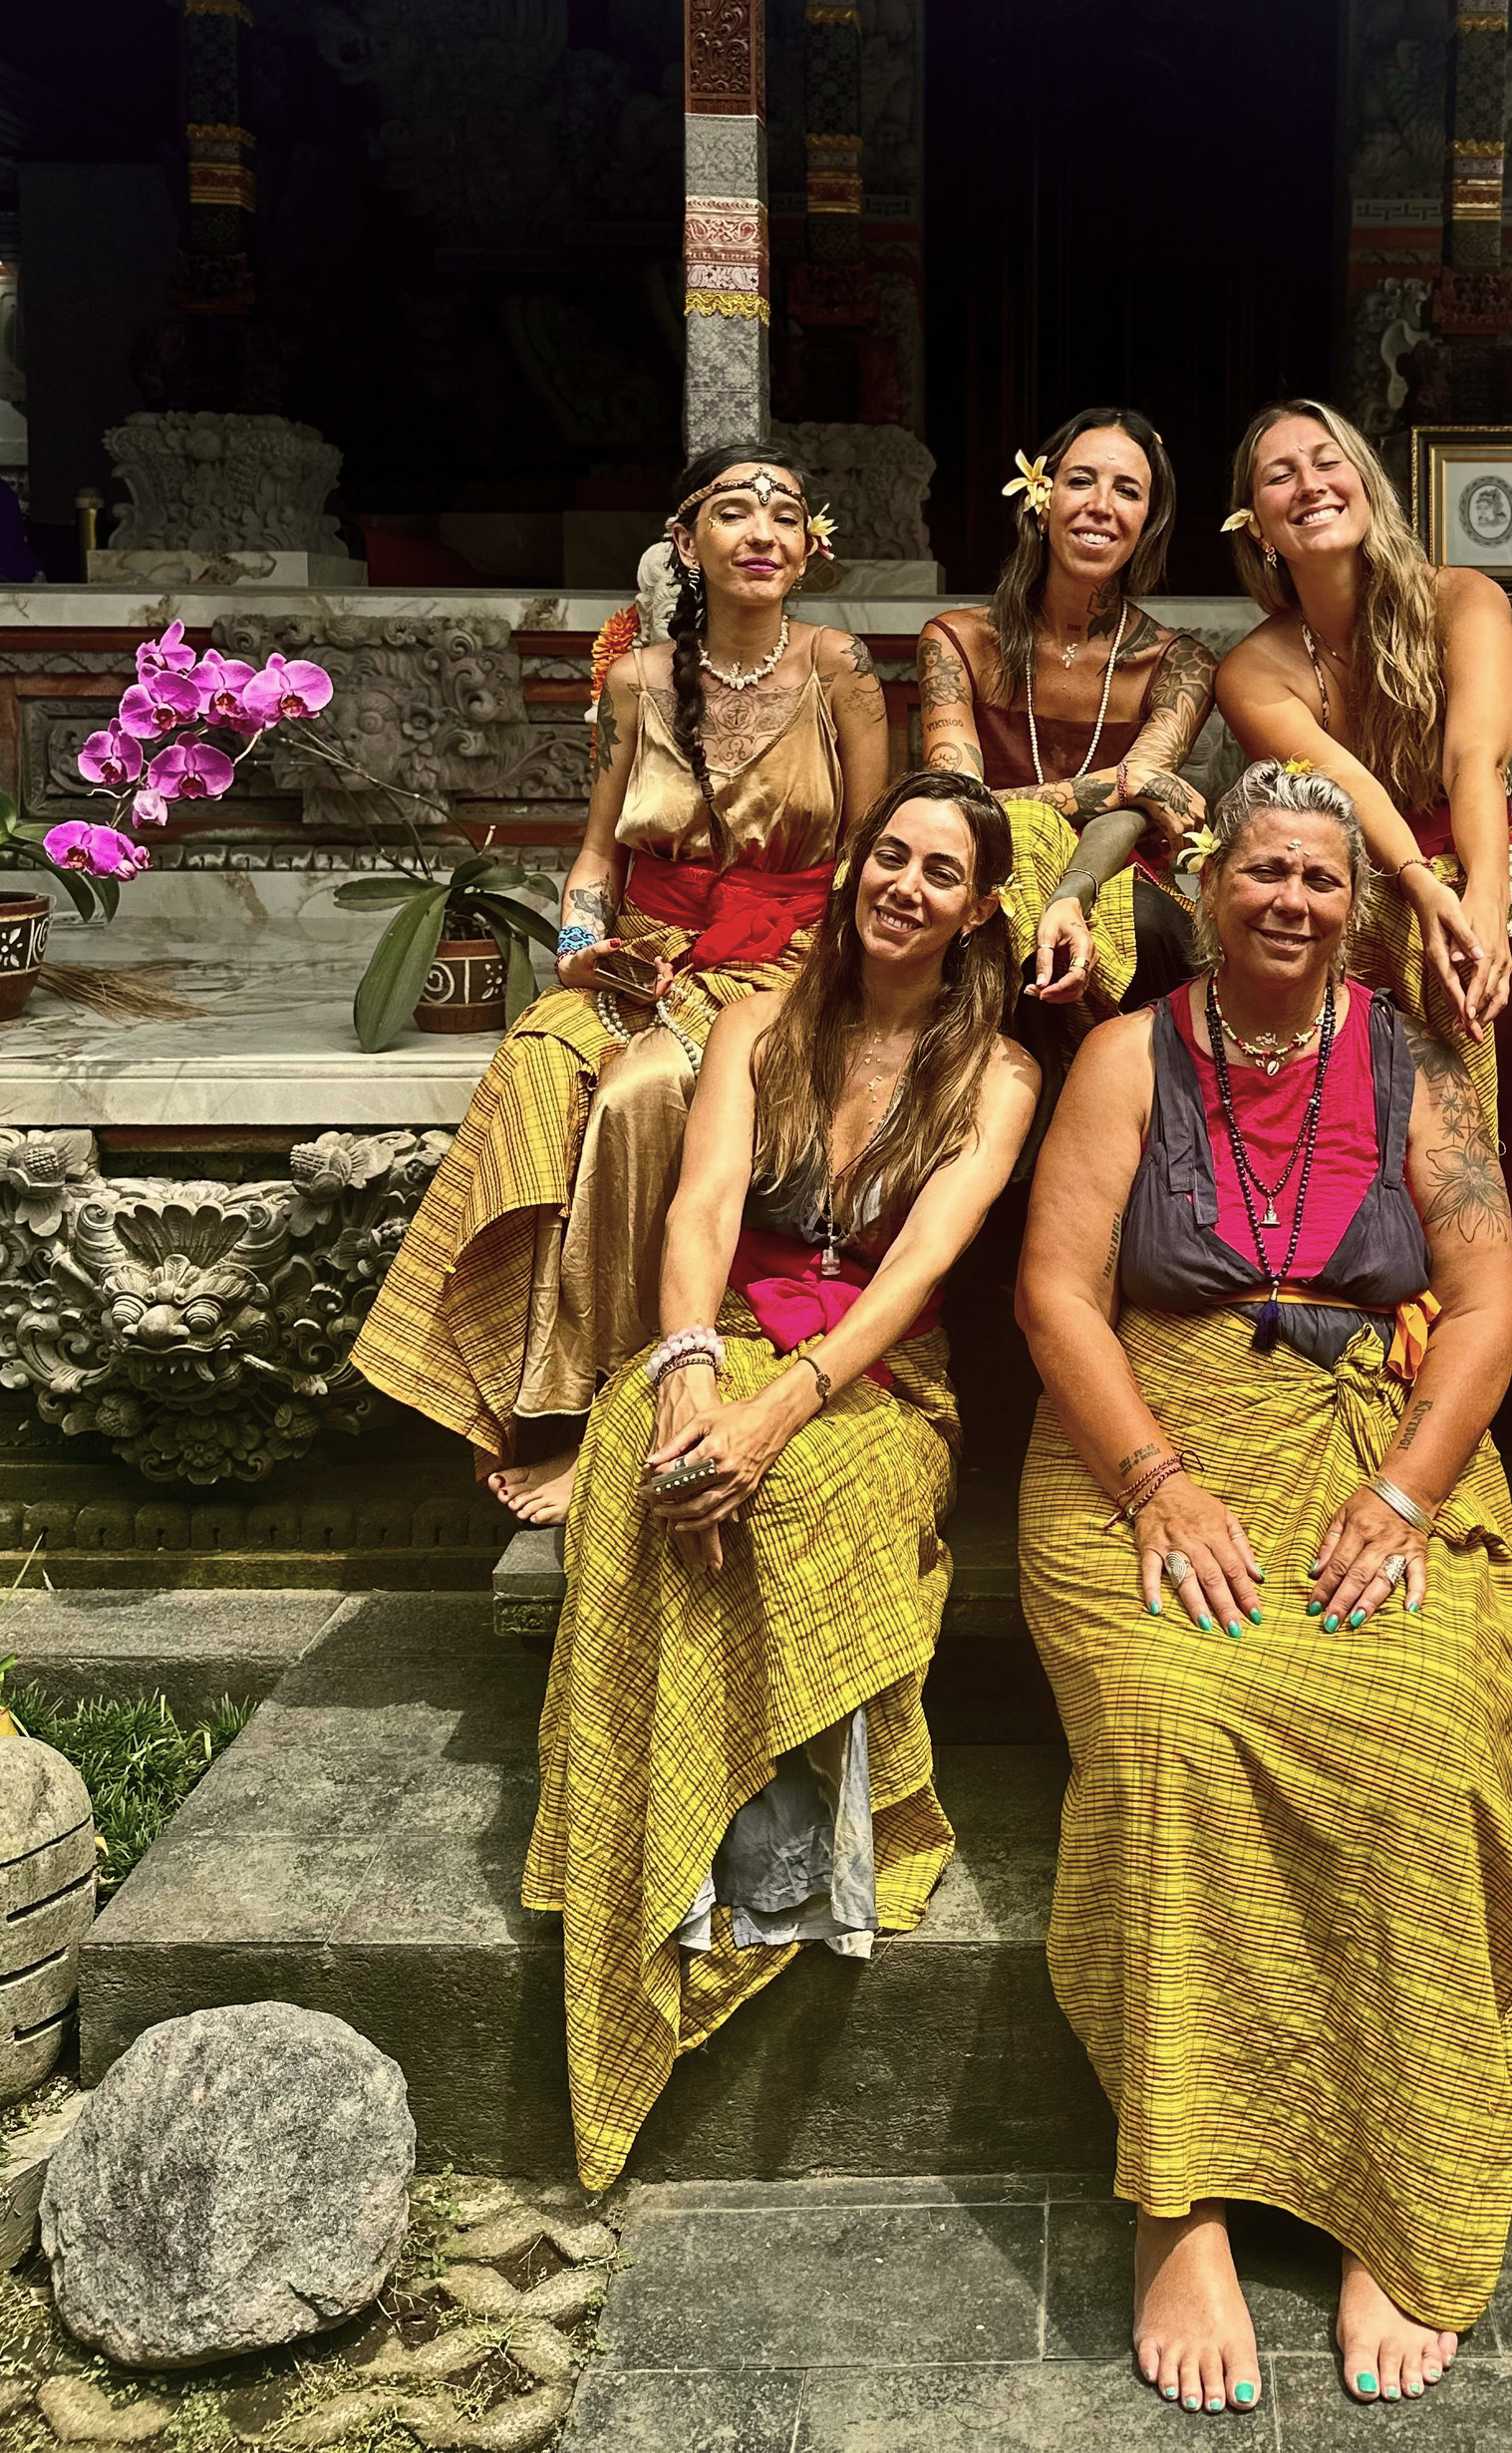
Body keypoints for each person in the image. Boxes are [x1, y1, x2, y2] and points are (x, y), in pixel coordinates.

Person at [1018, 764, 1512, 2411]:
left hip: (1370, 1442)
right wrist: (1157, 1481)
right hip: (1148, 1440)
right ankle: (1181, 2197)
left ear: (1355, 910)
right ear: (1206, 884)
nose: (1291, 898)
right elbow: (1056, 1293)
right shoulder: (1126, 1056)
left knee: (1417, 1722)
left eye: (1320, 878)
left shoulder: (1415, 1063)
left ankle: (1398, 2183)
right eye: (1265, 869)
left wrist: (1408, 1487)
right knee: (1173, 1711)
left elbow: (1487, 1300)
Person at [525, 769, 1040, 2189]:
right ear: (854, 868)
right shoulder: (759, 1021)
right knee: (640, 1460)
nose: (905, 887)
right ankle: (659, 1859)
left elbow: (920, 1270)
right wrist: (690, 1369)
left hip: (875, 1372)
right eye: (890, 856)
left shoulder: (998, 1075)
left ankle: (780, 1864)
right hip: (725, 1330)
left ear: (977, 910)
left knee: (806, 1495)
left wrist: (774, 1417)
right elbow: (700, 1205)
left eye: (941, 872)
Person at [353, 444, 891, 1522]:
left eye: (785, 513)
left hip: (790, 958)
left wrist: (833, 974)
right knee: (535, 1069)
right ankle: (519, 1399)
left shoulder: (841, 667)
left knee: (647, 1089)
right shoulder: (634, 682)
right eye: (733, 510)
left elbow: (869, 850)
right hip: (645, 950)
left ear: (808, 547)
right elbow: (598, 855)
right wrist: (578, 946)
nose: (762, 531)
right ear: (685, 542)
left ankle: (616, 1409)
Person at [1212, 399, 1512, 1418]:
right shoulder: (1252, 669)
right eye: (1279, 475)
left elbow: (1473, 761)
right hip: (1364, 875)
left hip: (1479, 845)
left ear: (1366, 481)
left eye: (1327, 461)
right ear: (1254, 524)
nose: (1310, 484)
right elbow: (1351, 795)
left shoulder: (1464, 598)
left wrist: (1481, 899)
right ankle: (1408, 1224)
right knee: (1370, 931)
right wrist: (1423, 890)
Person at [917, 407, 1213, 1014]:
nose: (1101, 505)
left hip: (1117, 879)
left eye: (1127, 491)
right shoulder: (957, 641)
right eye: (1081, 481)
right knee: (993, 888)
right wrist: (1124, 782)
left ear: (1148, 521)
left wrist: (1071, 891)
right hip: (983, 867)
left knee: (1146, 924)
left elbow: (1133, 812)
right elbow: (957, 810)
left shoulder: (1179, 665)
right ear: (1041, 501)